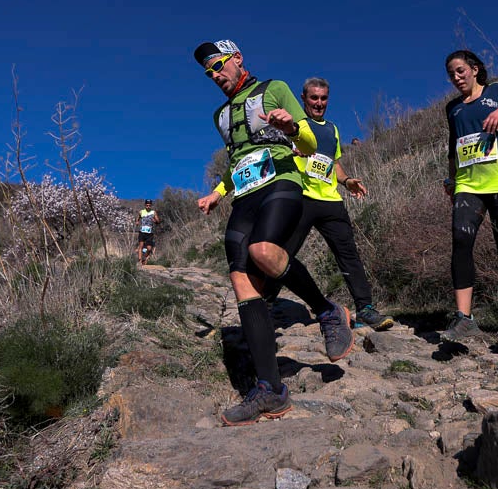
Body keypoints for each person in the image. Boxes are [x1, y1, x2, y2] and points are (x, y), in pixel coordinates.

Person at [194, 40, 354, 426]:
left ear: (237, 59)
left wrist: (293, 127)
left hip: (281, 182)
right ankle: (271, 390)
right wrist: (217, 194)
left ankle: (327, 311)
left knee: (264, 251)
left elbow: (310, 143)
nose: (215, 75)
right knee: (241, 281)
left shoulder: (274, 89)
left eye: (218, 65)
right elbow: (239, 161)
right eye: (208, 72)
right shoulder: (220, 115)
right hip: (244, 197)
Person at [261, 77, 394, 330]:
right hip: (300, 198)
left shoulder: (332, 129)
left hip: (331, 201)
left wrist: (347, 181)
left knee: (349, 256)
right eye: (314, 98)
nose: (319, 103)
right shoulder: (293, 125)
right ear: (303, 99)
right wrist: (291, 149)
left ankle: (365, 309)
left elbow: (333, 163)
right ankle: (264, 303)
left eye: (323, 98)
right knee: (283, 253)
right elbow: (273, 153)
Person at [442, 50, 498, 352]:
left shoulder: (497, 91)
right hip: (468, 184)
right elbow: (453, 146)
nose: (456, 78)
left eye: (460, 71)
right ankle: (463, 318)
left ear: (474, 69)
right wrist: (451, 179)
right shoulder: (452, 108)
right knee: (460, 239)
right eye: (451, 74)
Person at [135, 199, 161, 265]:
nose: (148, 206)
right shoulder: (141, 212)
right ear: (145, 205)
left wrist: (155, 221)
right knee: (141, 246)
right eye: (147, 205)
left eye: (149, 205)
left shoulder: (153, 212)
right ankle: (140, 261)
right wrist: (137, 221)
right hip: (142, 232)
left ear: (151, 205)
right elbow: (137, 217)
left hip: (150, 233)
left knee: (149, 249)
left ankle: (145, 257)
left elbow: (158, 221)